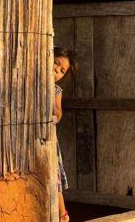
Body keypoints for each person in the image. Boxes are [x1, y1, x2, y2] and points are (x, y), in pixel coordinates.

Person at [53, 46, 77, 222]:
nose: (57, 70)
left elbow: (58, 115)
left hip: (50, 140)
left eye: (62, 71)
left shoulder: (56, 91)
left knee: (56, 178)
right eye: (55, 63)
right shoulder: (32, 83)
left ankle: (63, 214)